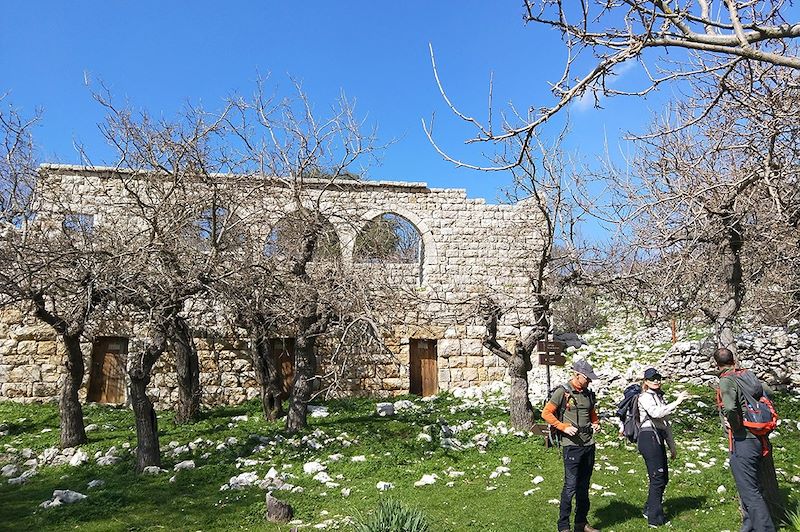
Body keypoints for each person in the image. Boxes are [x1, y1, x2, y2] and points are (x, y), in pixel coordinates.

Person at [715, 347, 776, 532]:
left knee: (750, 492)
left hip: (743, 440)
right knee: (752, 485)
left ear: (716, 364)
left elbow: (731, 408)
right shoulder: (748, 375)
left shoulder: (726, 380)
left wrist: (735, 424)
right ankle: (748, 526)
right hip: (759, 438)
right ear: (733, 360)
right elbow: (768, 392)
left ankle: (765, 529)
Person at [542, 359, 602, 532]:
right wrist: (562, 427)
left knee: (584, 486)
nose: (589, 381)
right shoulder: (562, 392)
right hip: (571, 446)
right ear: (577, 375)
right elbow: (546, 413)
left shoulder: (588, 393)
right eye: (587, 378)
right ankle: (563, 526)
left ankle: (581, 523)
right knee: (570, 486)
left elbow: (591, 412)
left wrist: (595, 423)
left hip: (588, 444)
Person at [637, 367, 688, 527]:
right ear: (645, 381)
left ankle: (649, 509)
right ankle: (655, 519)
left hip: (657, 437)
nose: (656, 381)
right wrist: (677, 401)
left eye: (658, 378)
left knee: (663, 477)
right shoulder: (644, 397)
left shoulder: (659, 397)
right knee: (657, 477)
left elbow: (666, 424)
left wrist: (672, 446)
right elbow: (656, 413)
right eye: (652, 378)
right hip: (648, 437)